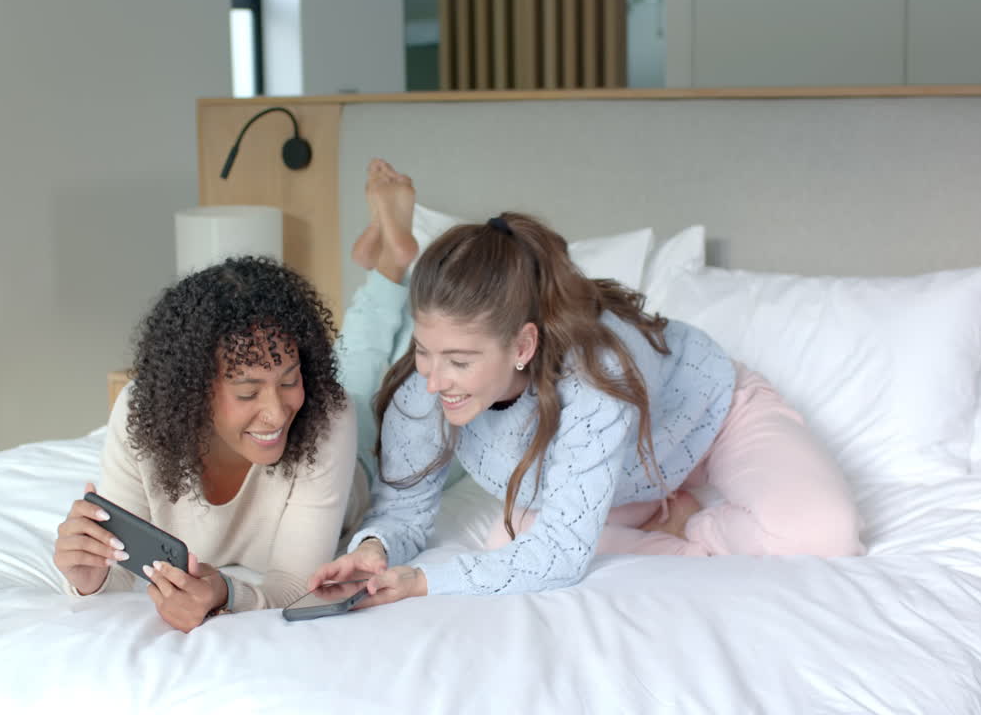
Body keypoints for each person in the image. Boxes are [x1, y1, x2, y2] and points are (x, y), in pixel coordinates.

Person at [311, 161, 865, 607]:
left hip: (711, 424)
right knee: (510, 548)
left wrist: (423, 582)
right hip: (616, 481)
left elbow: (562, 556)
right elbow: (405, 511)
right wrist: (373, 550)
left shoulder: (597, 372)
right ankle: (660, 523)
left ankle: (686, 523)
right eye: (425, 351)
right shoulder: (423, 391)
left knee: (826, 535)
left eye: (459, 361)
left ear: (522, 347)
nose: (435, 381)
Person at [54, 257, 367, 632]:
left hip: (364, 468)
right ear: (195, 392)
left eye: (289, 381)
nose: (278, 413)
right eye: (248, 392)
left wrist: (227, 594)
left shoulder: (328, 415)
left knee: (384, 384)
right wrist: (89, 577)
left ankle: (389, 270)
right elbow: (121, 570)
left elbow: (297, 587)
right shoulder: (143, 415)